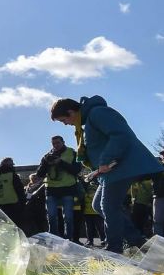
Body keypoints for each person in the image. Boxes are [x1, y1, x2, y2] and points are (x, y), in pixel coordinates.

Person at [50, 97, 164, 253]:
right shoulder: (89, 119)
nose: (66, 124)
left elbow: (120, 135)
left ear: (71, 112)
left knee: (109, 206)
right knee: (98, 205)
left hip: (121, 167)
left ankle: (114, 249)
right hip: (111, 171)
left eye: (64, 120)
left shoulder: (98, 113)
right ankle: (139, 242)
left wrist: (105, 160)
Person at [36, 135, 81, 241]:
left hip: (68, 189)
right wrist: (46, 164)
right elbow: (40, 174)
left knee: (68, 218)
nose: (56, 145)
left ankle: (69, 240)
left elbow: (76, 170)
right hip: (51, 190)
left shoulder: (72, 153)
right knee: (51, 217)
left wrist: (60, 162)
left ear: (63, 142)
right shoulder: (47, 156)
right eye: (53, 144)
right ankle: (54, 240)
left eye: (58, 143)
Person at [82, 178, 105, 247]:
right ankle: (91, 240)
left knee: (99, 227)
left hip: (96, 212)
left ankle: (102, 240)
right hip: (88, 211)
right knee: (90, 227)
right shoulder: (86, 187)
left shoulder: (98, 186)